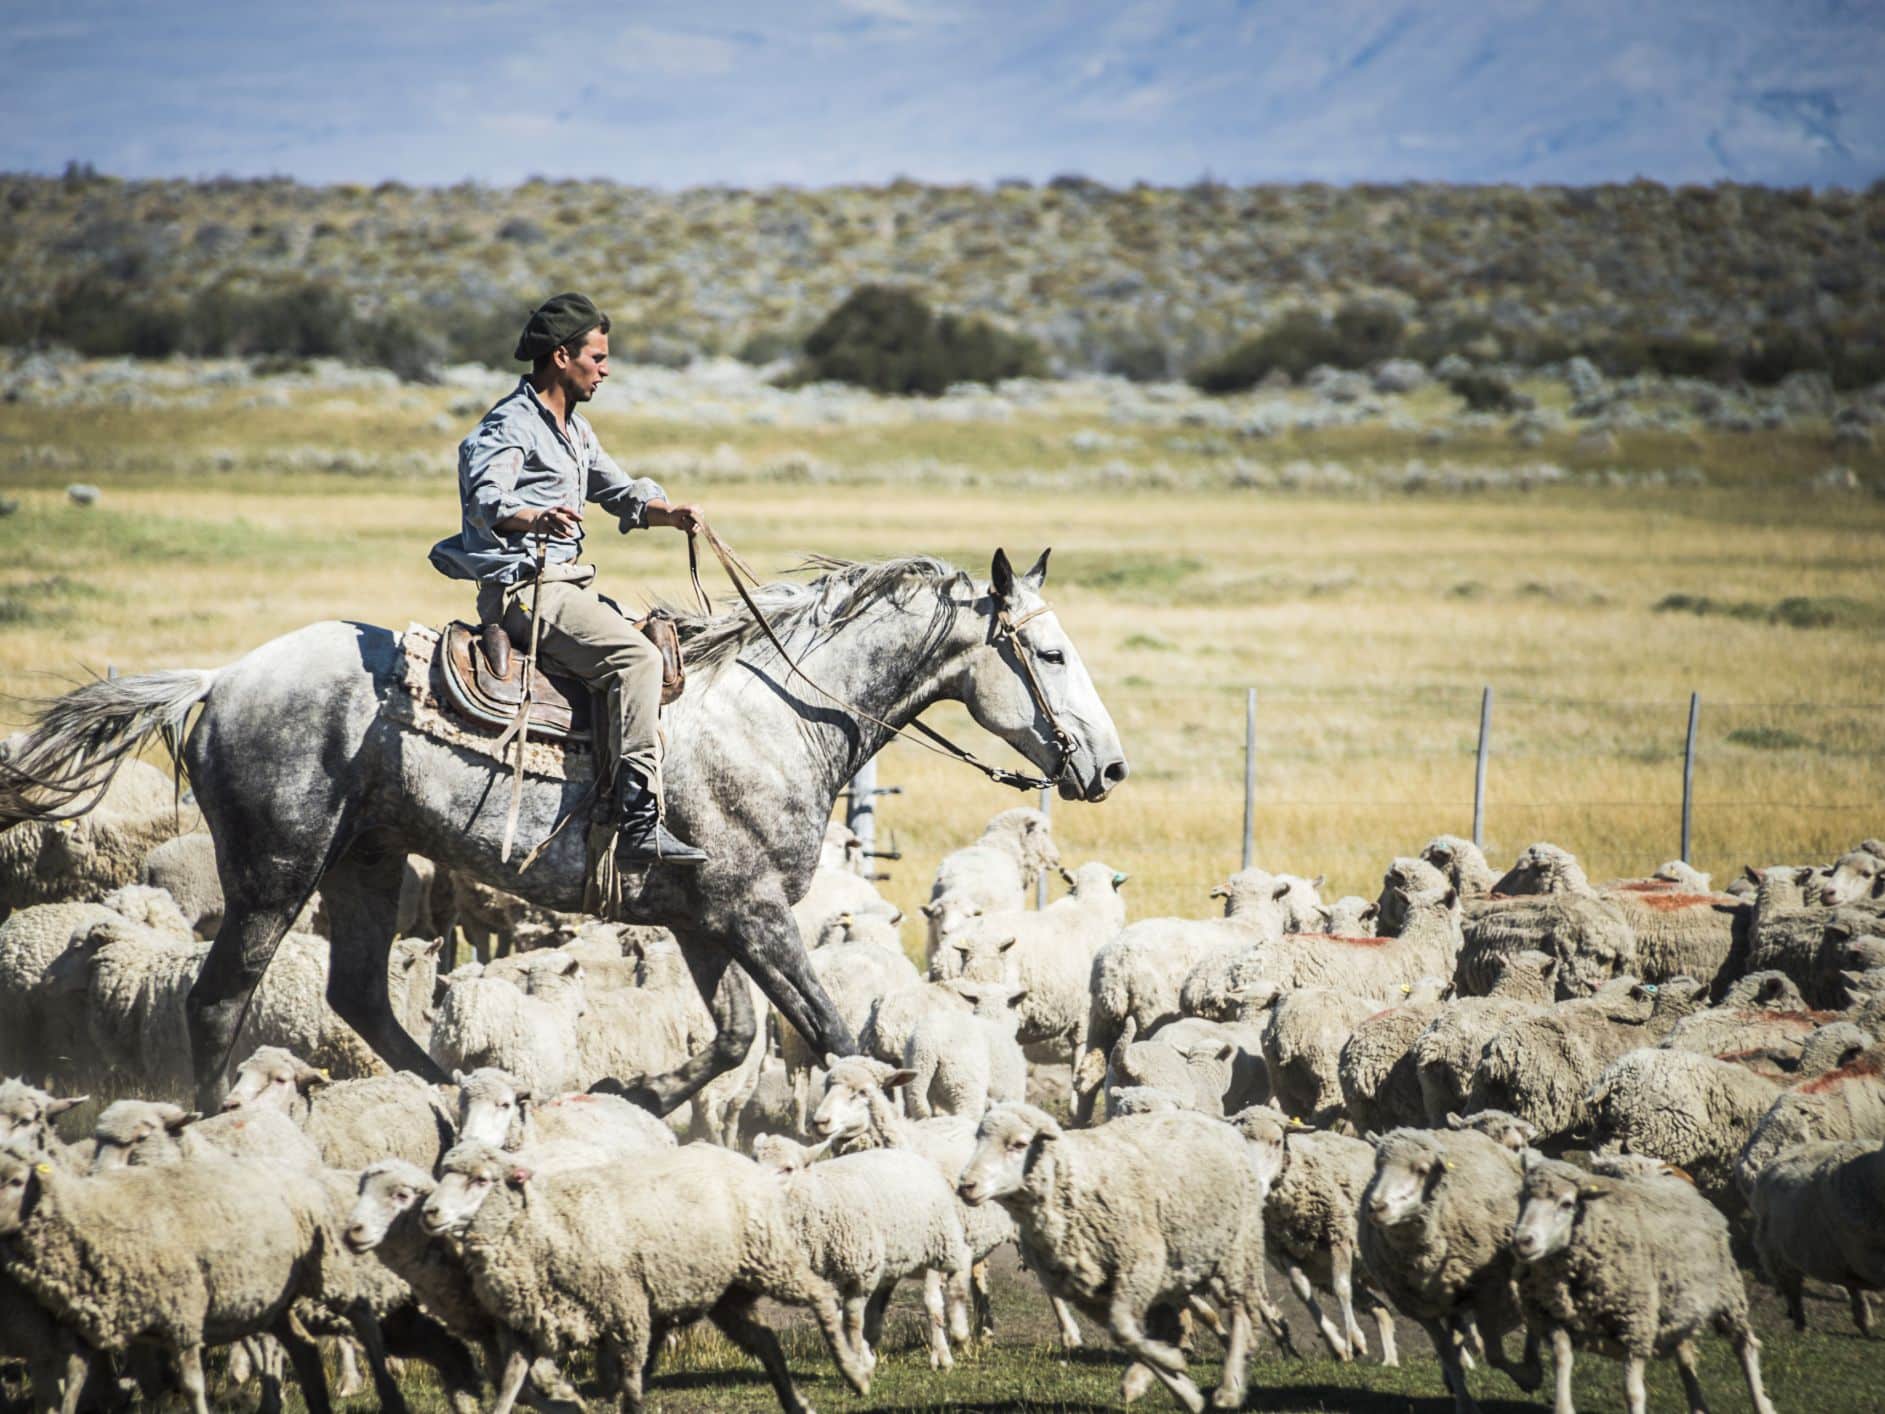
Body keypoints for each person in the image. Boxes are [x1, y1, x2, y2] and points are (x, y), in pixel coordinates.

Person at [429, 292, 706, 866]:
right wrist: (536, 517)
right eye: (597, 358)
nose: (606, 370)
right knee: (638, 661)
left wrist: (667, 513)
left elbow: (619, 491)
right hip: (528, 590)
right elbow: (487, 499)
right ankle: (637, 818)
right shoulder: (512, 424)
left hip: (567, 586)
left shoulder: (574, 432)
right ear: (561, 356)